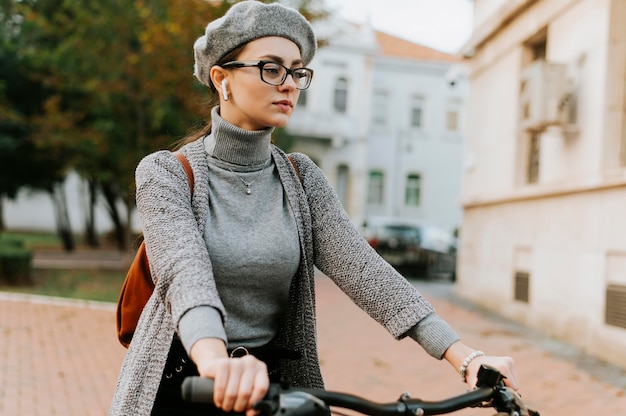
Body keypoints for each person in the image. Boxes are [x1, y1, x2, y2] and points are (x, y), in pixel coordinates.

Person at [110, 2, 519, 415]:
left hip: (269, 392)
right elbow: (185, 272)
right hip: (184, 382)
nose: (288, 84)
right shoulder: (166, 173)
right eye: (271, 68)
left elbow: (367, 272)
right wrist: (216, 361)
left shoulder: (302, 179)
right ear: (222, 79)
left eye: (297, 71)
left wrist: (464, 356)